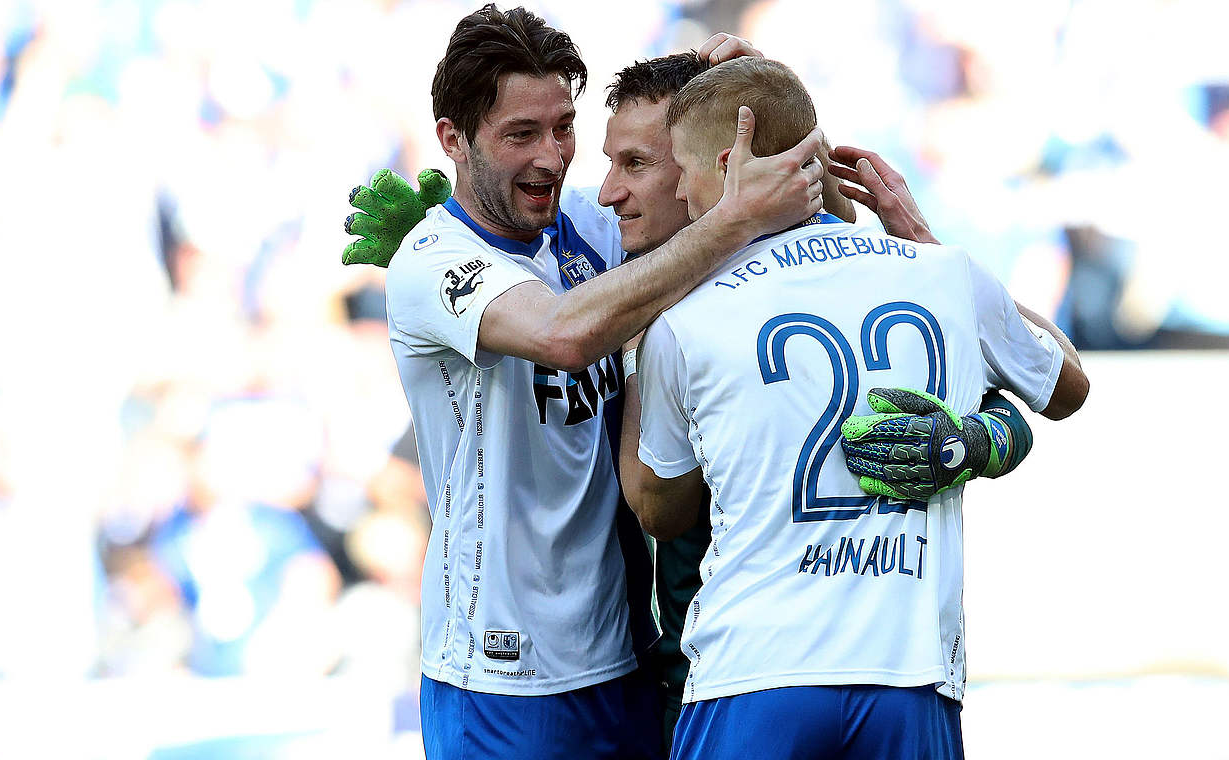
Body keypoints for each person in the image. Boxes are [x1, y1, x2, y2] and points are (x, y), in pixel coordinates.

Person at [381, 6, 825, 759]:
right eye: (521, 135)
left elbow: (711, 198)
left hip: (623, 659)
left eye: (563, 127)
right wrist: (731, 221)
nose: (553, 158)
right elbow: (563, 333)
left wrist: (749, 99)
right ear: (453, 140)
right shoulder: (428, 262)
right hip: (500, 679)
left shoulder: (588, 224)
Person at [621, 57, 1088, 760]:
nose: (682, 191)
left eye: (680, 169)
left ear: (727, 162)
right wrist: (926, 240)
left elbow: (660, 510)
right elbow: (1065, 388)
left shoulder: (685, 320)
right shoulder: (942, 275)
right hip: (909, 672)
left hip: (752, 674)